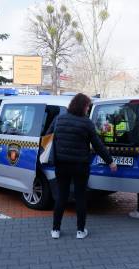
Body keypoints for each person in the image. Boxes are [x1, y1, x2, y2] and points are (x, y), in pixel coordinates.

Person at [48, 93, 117, 239]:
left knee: (61, 196)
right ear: (82, 106)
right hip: (80, 166)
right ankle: (80, 231)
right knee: (80, 197)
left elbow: (49, 136)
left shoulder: (59, 119)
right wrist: (110, 161)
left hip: (61, 164)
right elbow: (98, 145)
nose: (88, 109)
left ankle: (55, 230)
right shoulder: (86, 123)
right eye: (87, 106)